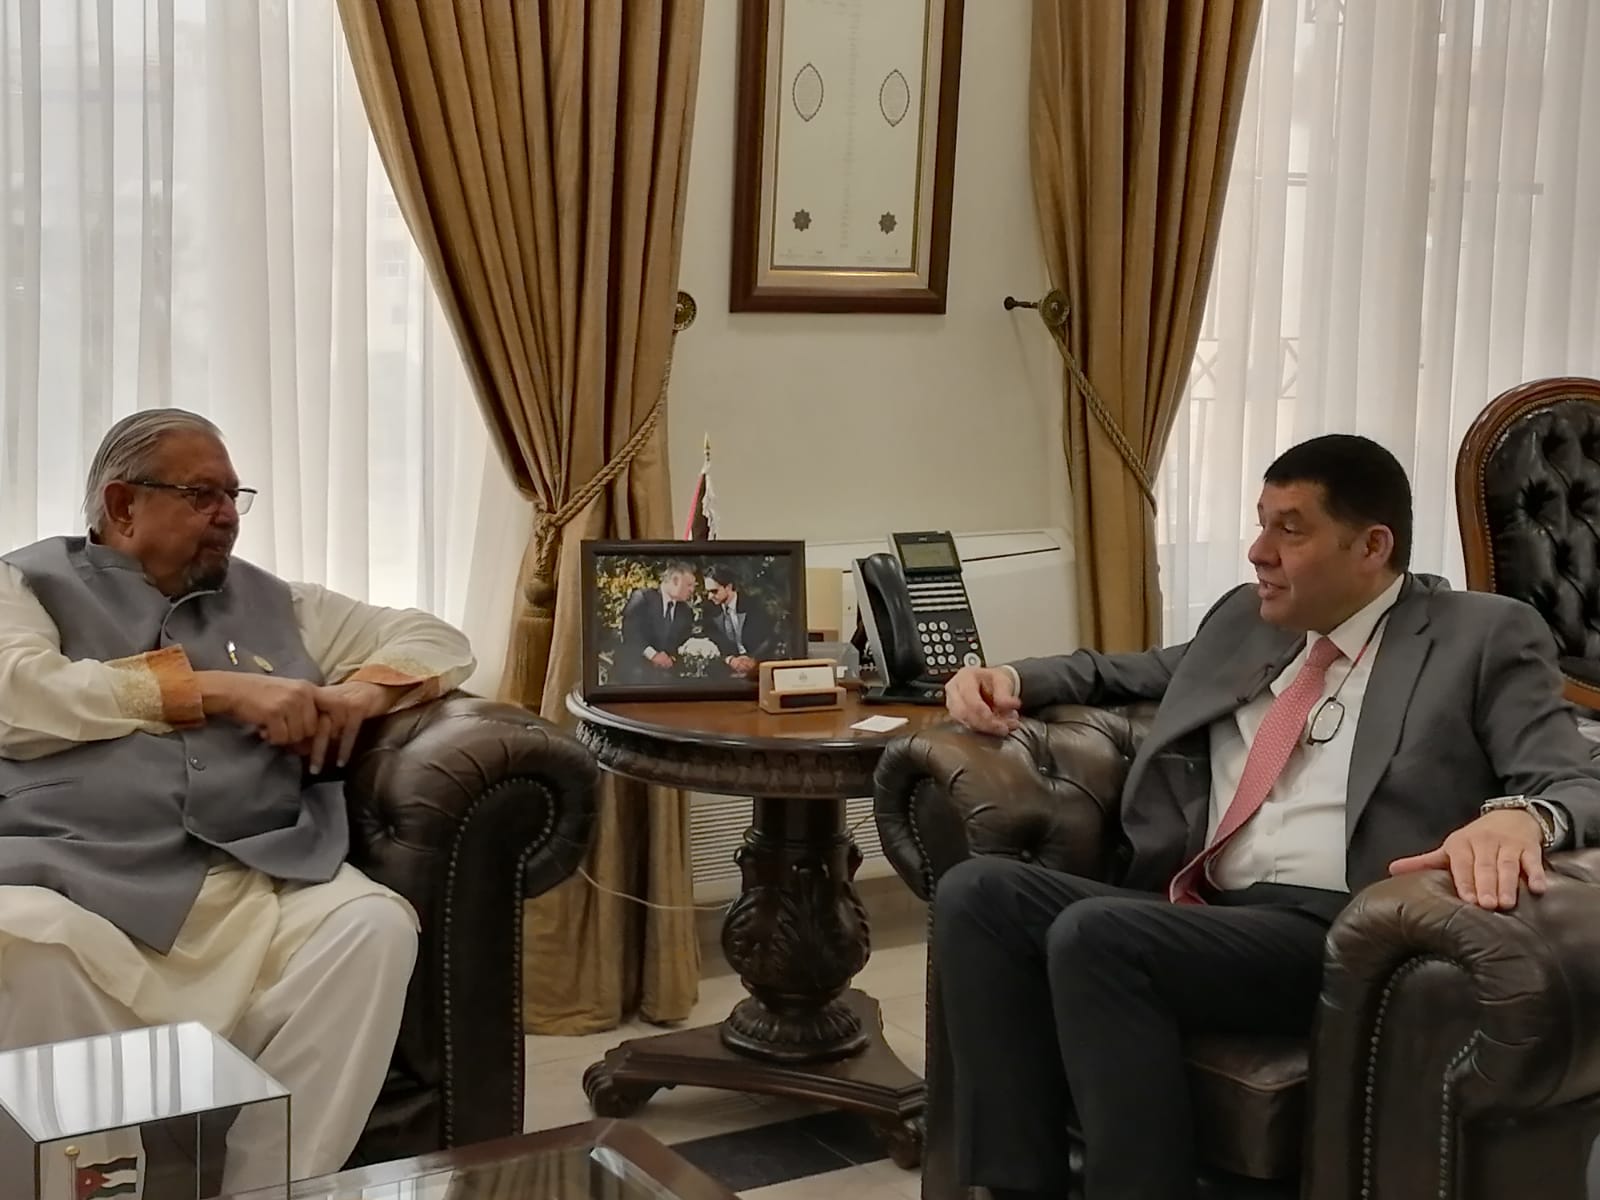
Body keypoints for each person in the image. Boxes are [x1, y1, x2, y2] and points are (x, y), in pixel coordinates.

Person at [935, 434, 1600, 1200]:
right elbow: (1125, 671)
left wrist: (1525, 818)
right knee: (978, 895)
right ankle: (1015, 1187)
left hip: (1340, 929)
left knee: (1098, 935)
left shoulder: (1478, 636)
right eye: (1260, 523)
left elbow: (1571, 778)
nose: (1259, 551)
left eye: (1291, 529)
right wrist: (1006, 676)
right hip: (1206, 911)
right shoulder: (1247, 620)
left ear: (1372, 546)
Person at [0, 409, 475, 1192]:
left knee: (371, 926)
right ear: (122, 505)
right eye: (201, 495)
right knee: (30, 939)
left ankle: (270, 1187)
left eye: (233, 495)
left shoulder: (278, 602)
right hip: (74, 876)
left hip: (247, 875)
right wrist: (216, 690)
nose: (227, 514)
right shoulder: (25, 584)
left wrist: (360, 694)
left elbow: (436, 639)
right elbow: (20, 695)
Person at [614, 562, 697, 684]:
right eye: (689, 585)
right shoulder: (643, 598)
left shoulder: (685, 611)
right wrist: (653, 655)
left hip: (669, 678)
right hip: (636, 673)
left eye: (693, 586)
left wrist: (671, 659)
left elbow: (683, 641)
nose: (692, 590)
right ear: (675, 580)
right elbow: (630, 632)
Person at [703, 565, 780, 679]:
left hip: (758, 669)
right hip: (725, 673)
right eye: (708, 592)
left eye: (714, 591)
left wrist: (754, 660)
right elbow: (711, 642)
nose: (710, 597)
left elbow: (769, 639)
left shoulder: (755, 605)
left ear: (729, 587)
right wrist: (730, 660)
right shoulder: (709, 611)